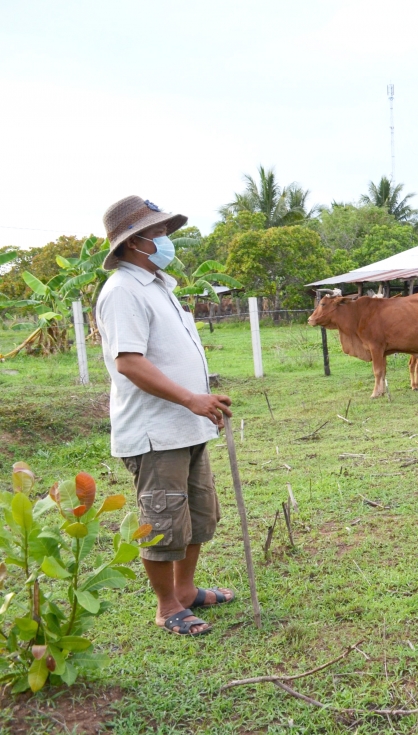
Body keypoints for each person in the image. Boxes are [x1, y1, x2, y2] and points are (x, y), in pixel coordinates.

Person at [96, 196, 236, 636]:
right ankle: (166, 606)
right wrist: (190, 399)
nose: (166, 240)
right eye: (158, 233)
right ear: (136, 242)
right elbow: (130, 363)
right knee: (162, 522)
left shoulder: (159, 287)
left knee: (197, 515)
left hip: (187, 424)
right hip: (156, 433)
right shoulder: (122, 291)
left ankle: (187, 591)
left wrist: (203, 402)